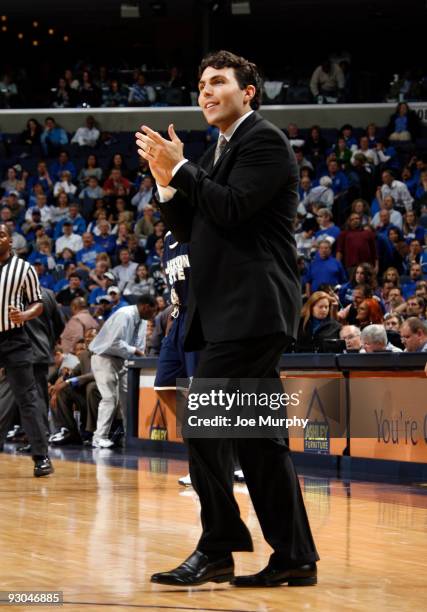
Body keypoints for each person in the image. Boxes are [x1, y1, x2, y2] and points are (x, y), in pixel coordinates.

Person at [136, 49, 319, 587]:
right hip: (229, 311)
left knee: (206, 424)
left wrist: (185, 168)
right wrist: (166, 179)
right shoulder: (220, 151)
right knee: (259, 443)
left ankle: (219, 545)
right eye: (201, 84)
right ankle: (294, 557)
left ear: (249, 92)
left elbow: (235, 207)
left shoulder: (262, 140)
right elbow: (193, 225)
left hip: (252, 308)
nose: (206, 91)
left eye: (218, 81)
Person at [0, 224, 54, 477]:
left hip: (14, 338)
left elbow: (38, 303)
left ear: (9, 240)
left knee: (28, 398)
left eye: (1, 235)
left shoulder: (23, 268)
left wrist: (24, 314)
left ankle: (41, 457)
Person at [89, 295, 157, 447]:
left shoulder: (143, 321)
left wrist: (138, 356)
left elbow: (139, 346)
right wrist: (136, 351)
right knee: (110, 398)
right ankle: (99, 437)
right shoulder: (124, 314)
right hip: (104, 357)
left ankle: (130, 436)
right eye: (153, 310)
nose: (154, 315)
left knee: (129, 399)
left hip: (124, 360)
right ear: (145, 306)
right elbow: (113, 343)